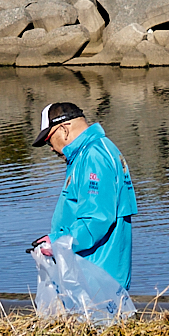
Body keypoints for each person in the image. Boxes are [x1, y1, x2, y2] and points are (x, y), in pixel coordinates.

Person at [30, 99, 135, 323]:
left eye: (49, 139)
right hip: (96, 277)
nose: (50, 148)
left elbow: (96, 220)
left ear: (64, 129)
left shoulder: (94, 156)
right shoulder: (94, 152)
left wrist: (56, 241)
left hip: (98, 278)